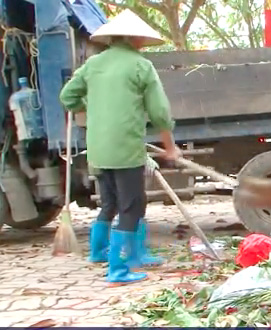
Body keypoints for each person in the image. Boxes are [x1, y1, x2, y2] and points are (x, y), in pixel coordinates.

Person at [59, 9, 180, 286]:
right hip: (125, 147)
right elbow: (160, 112)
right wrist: (170, 147)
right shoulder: (140, 66)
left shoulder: (93, 64)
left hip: (99, 148)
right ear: (134, 38)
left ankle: (103, 252)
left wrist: (89, 107)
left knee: (111, 203)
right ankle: (119, 268)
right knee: (132, 206)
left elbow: (67, 97)